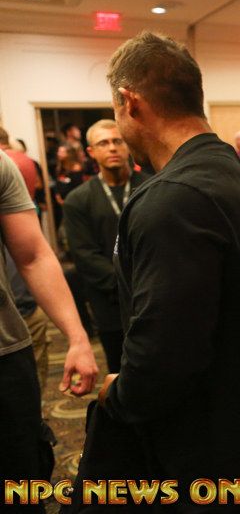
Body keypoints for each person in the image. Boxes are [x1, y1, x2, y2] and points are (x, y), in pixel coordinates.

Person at [69, 31, 240, 509]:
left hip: (221, 449)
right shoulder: (225, 169)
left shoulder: (173, 198)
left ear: (129, 102)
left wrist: (118, 394)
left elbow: (165, 356)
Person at [0, 150, 98, 492]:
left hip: (5, 354)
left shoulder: (1, 166)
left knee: (20, 479)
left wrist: (77, 337)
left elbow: (33, 256)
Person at [63, 120, 150, 374]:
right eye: (103, 143)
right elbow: (84, 255)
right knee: (119, 368)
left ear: (127, 145)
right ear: (91, 152)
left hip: (152, 297)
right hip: (109, 303)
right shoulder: (78, 199)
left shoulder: (152, 187)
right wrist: (129, 282)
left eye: (117, 141)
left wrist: (147, 283)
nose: (112, 148)